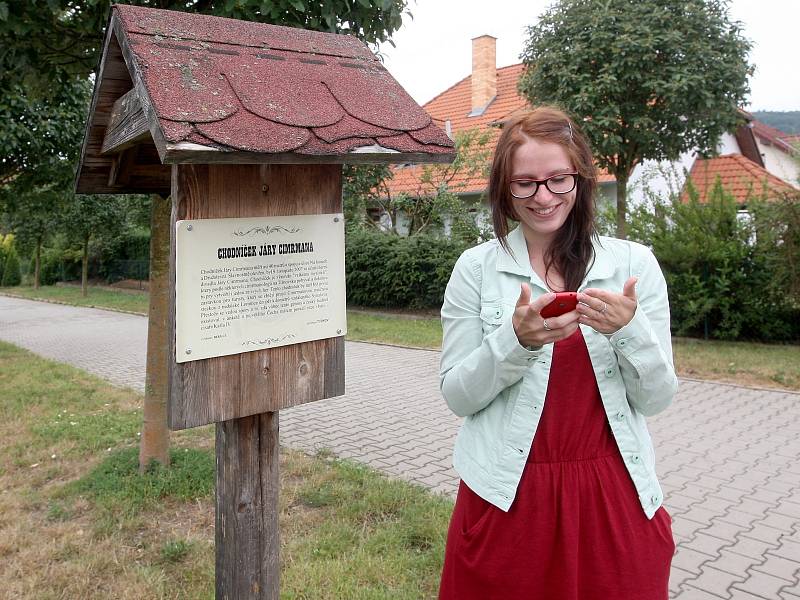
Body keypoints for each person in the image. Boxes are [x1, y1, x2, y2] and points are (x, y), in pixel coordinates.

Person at [437, 106, 678, 600]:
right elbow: (458, 396)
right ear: (504, 189)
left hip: (613, 495)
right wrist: (515, 342)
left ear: (582, 178)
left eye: (557, 179)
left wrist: (628, 332)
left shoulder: (634, 265)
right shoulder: (476, 270)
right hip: (507, 497)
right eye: (524, 183)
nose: (542, 197)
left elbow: (656, 398)